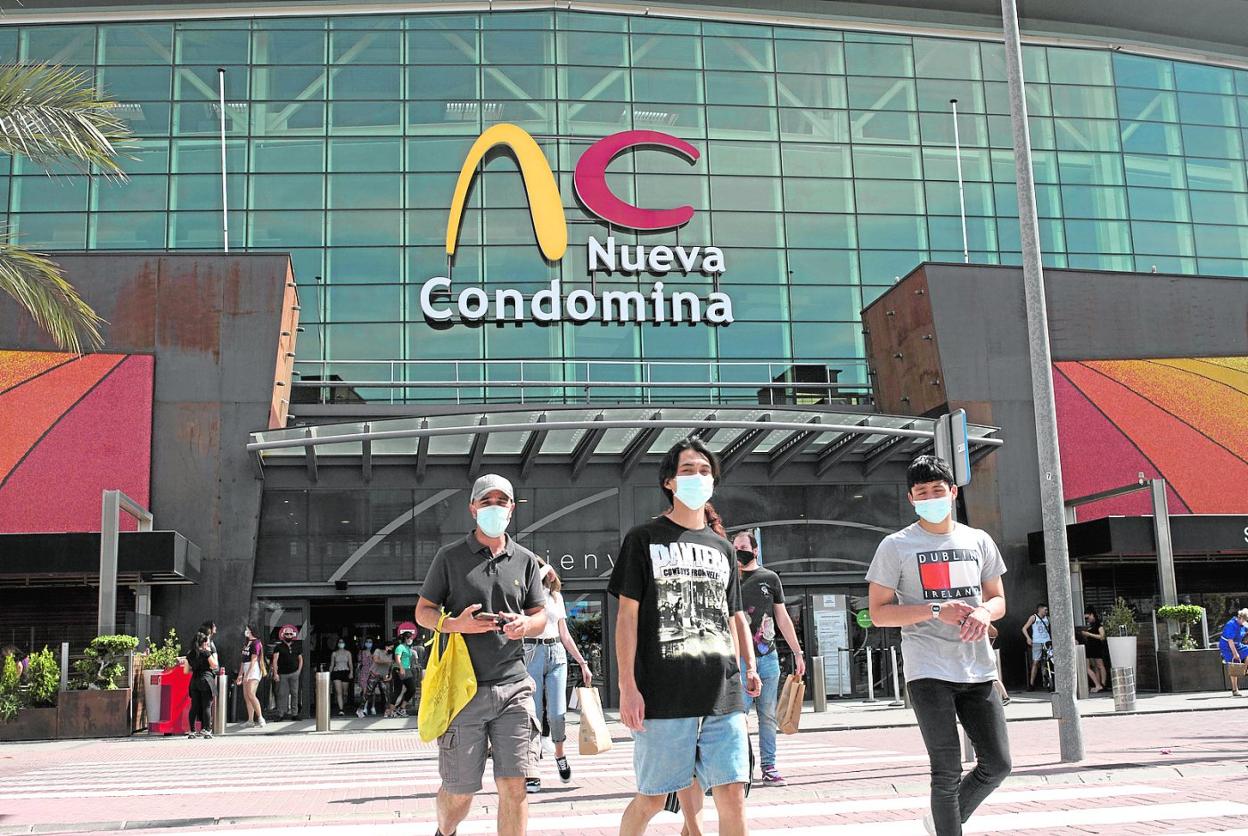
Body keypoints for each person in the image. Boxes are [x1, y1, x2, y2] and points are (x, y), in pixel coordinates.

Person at [610, 437, 760, 836]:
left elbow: (731, 617)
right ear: (669, 482)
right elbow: (626, 617)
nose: (698, 477)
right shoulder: (643, 539)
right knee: (653, 798)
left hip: (722, 692)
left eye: (705, 471)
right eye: (688, 470)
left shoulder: (723, 548)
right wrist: (627, 686)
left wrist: (746, 667)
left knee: (733, 794)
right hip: (663, 695)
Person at [866, 455, 1010, 836]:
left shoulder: (978, 540)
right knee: (946, 770)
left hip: (977, 667)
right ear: (911, 499)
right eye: (922, 493)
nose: (931, 498)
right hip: (928, 668)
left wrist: (985, 612)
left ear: (953, 492)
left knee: (998, 764)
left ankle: (943, 820)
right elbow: (878, 613)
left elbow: (998, 598)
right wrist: (934, 610)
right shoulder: (896, 546)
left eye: (937, 490)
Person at [414, 473, 547, 836]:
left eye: (501, 502)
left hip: (514, 687)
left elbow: (540, 615)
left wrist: (526, 624)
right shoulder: (449, 557)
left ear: (512, 509)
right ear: (472, 508)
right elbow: (423, 611)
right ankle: (445, 831)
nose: (494, 508)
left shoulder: (525, 560)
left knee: (515, 786)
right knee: (459, 794)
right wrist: (454, 624)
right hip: (463, 690)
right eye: (486, 501)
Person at [731, 529, 805, 787]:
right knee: (738, 716)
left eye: (742, 547)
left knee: (768, 715)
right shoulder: (729, 579)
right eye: (734, 548)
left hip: (767, 656)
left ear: (755, 550)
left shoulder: (769, 578)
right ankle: (741, 768)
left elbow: (782, 617)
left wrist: (797, 651)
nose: (738, 552)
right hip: (740, 659)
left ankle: (769, 767)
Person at [524, 562, 593, 793]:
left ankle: (560, 755)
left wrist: (582, 663)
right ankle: (532, 770)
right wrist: (546, 569)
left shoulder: (556, 597)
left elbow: (564, 634)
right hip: (532, 652)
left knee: (557, 713)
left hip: (557, 654)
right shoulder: (526, 596)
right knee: (534, 713)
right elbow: (531, 591)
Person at [183, 630, 218, 739]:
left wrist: (195, 667)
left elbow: (185, 671)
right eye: (206, 642)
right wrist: (211, 653)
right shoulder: (206, 653)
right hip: (206, 681)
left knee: (194, 706)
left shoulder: (190, 654)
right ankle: (207, 731)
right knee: (206, 706)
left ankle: (192, 731)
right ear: (203, 643)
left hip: (194, 682)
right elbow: (214, 665)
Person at [270, 624, 303, 720]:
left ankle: (294, 714)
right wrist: (275, 673)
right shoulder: (278, 647)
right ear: (283, 635)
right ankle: (280, 714)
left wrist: (299, 671)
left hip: (294, 673)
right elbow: (275, 660)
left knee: (295, 694)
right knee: (282, 694)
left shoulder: (297, 646)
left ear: (293, 635)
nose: (289, 636)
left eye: (290, 634)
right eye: (287, 634)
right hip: (282, 674)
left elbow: (300, 659)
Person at [236, 625, 266, 727]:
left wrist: (247, 675)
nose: (246, 631)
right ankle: (250, 720)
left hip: (254, 670)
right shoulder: (246, 643)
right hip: (246, 668)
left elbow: (253, 660)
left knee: (251, 694)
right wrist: (240, 675)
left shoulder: (256, 643)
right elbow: (243, 661)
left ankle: (260, 717)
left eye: (247, 630)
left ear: (252, 631)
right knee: (246, 696)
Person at [1022, 603, 1051, 690]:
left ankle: (1047, 682)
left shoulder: (1048, 618)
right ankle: (1031, 684)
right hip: (1037, 642)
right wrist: (1028, 638)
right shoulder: (1034, 617)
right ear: (1040, 609)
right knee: (1035, 662)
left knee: (1047, 661)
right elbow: (1024, 628)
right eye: (1045, 610)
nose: (1046, 611)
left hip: (1047, 641)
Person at [1219, 608, 1248, 696]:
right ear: (1241, 618)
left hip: (1238, 645)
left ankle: (1244, 670)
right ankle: (1235, 690)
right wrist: (1235, 654)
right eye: (1245, 620)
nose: (1246, 622)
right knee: (1234, 663)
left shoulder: (1244, 623)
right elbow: (1230, 641)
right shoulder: (1231, 624)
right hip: (1227, 646)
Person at [1080, 608, 1108, 693]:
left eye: (1088, 618)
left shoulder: (1098, 625)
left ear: (1092, 615)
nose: (1087, 620)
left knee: (1100, 665)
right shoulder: (1091, 626)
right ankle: (1098, 685)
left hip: (1097, 647)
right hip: (1091, 647)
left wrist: (1089, 634)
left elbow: (1102, 637)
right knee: (1095, 666)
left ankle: (1102, 684)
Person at [390, 631, 417, 718]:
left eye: (412, 638)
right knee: (398, 690)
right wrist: (401, 668)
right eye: (410, 638)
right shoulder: (400, 647)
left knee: (412, 689)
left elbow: (408, 659)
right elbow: (397, 659)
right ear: (405, 638)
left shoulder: (407, 648)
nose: (411, 640)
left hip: (407, 670)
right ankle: (392, 710)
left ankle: (401, 708)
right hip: (399, 669)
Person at [355, 637, 380, 718]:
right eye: (367, 641)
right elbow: (359, 663)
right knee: (365, 690)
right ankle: (364, 708)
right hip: (364, 672)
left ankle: (373, 707)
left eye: (370, 642)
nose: (368, 643)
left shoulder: (375, 652)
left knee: (372, 691)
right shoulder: (361, 652)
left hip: (373, 672)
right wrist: (357, 674)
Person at [330, 637, 353, 716]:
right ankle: (341, 709)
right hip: (337, 672)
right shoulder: (334, 653)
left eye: (342, 642)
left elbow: (350, 663)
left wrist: (351, 672)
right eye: (339, 642)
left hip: (345, 672)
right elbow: (332, 664)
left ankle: (343, 704)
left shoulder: (348, 653)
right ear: (337, 644)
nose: (341, 643)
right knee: (339, 692)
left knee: (345, 692)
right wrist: (329, 674)